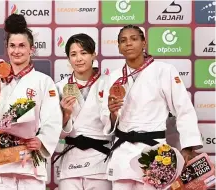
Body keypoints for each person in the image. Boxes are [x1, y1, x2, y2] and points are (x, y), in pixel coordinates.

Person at [0, 14, 62, 190]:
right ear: (6, 48)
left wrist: (41, 140)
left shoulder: (43, 81)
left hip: (29, 158)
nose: (17, 51)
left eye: (22, 46)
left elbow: (52, 119)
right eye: (12, 46)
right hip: (1, 160)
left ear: (32, 49)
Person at [101, 25, 203, 190]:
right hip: (122, 152)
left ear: (144, 43)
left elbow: (184, 109)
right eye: (123, 41)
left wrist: (188, 146)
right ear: (119, 48)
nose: (128, 44)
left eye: (134, 39)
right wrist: (112, 114)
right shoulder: (113, 78)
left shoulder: (164, 71)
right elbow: (106, 120)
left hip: (154, 152)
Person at [53, 33, 113, 190]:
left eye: (84, 53)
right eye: (73, 54)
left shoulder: (109, 83)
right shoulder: (59, 87)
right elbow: (53, 131)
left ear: (94, 54)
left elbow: (117, 125)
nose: (79, 59)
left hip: (100, 161)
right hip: (71, 161)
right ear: (68, 59)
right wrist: (65, 115)